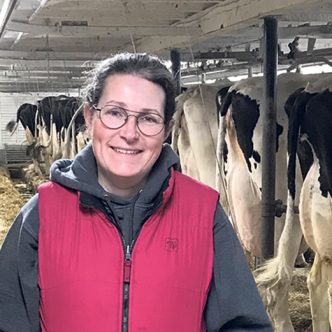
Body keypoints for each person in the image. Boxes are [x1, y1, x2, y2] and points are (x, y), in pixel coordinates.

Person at [0, 52, 272, 332]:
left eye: (148, 118)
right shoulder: (42, 214)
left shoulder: (204, 214)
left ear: (167, 130)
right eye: (115, 113)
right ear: (90, 117)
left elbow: (245, 325)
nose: (130, 133)